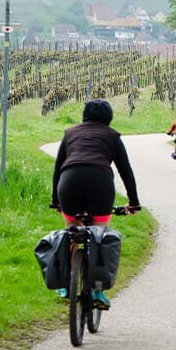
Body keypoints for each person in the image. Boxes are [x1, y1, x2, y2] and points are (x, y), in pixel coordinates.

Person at [50, 98, 141, 308]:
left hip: (69, 181)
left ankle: (66, 284)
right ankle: (98, 292)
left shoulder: (70, 133)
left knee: (71, 230)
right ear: (109, 118)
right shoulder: (113, 136)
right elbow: (125, 171)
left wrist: (56, 202)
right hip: (99, 182)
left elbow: (57, 169)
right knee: (99, 234)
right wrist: (133, 202)